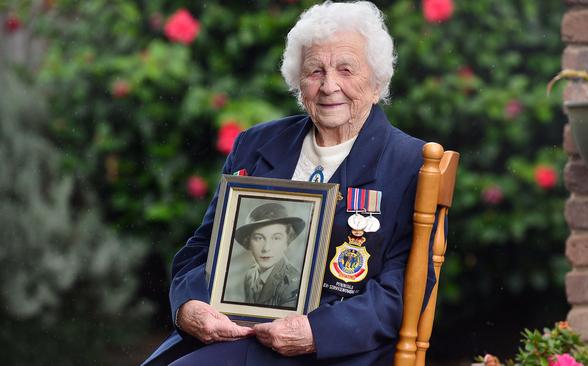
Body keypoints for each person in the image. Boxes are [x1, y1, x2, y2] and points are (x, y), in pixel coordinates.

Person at [142, 2, 436, 365]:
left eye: (346, 70)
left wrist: (316, 332)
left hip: (330, 351)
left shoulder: (410, 164)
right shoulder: (255, 144)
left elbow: (402, 292)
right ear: (299, 83)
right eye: (315, 71)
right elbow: (202, 247)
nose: (330, 86)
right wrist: (189, 306)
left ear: (376, 84)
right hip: (229, 337)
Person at [233, 202, 305, 308]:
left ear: (287, 242)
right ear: (248, 242)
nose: (266, 248)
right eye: (259, 238)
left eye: (276, 238)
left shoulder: (293, 285)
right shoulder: (250, 276)